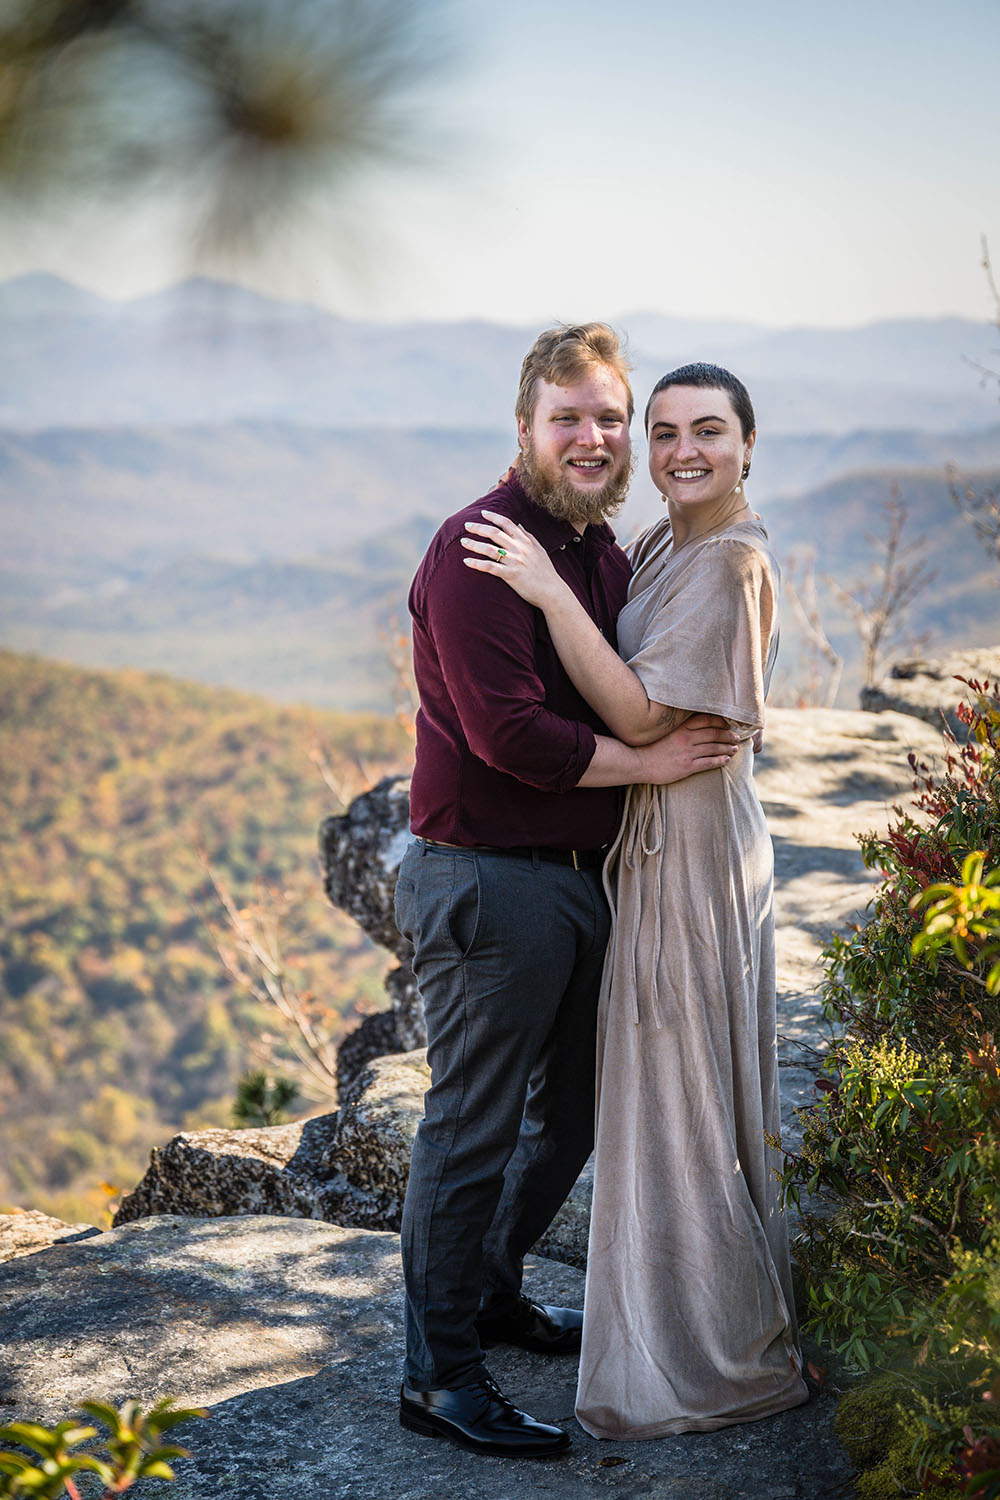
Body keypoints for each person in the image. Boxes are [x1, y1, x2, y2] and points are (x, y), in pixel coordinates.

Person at [394, 327, 741, 1459]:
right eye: (566, 417)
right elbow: (510, 736)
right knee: (473, 1126)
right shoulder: (480, 548)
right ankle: (439, 1377)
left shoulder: (595, 551)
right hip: (492, 882)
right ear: (524, 427)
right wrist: (645, 764)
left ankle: (491, 1293)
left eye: (607, 418)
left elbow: (625, 682)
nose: (589, 437)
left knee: (577, 1113)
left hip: (582, 883)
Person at [462, 362, 810, 1439]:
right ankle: (674, 1310)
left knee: (677, 1090)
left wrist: (544, 587)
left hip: (695, 845)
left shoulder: (729, 560)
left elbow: (649, 715)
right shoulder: (670, 538)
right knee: (662, 1088)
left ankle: (699, 1351)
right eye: (662, 433)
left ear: (750, 442)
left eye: (707, 431)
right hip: (663, 834)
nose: (680, 451)